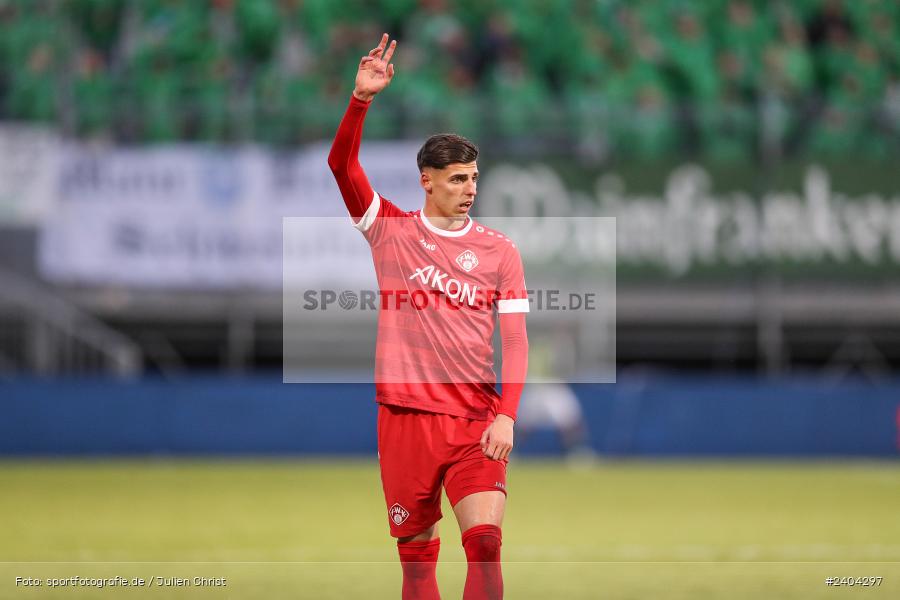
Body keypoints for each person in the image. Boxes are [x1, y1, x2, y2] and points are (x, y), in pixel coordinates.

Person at [327, 34, 529, 600]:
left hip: (473, 419)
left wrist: (507, 415)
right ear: (428, 180)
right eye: (458, 178)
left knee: (485, 542)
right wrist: (360, 100)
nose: (469, 189)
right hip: (405, 419)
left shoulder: (500, 251)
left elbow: (514, 340)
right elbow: (341, 165)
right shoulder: (389, 231)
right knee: (417, 564)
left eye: (473, 177)